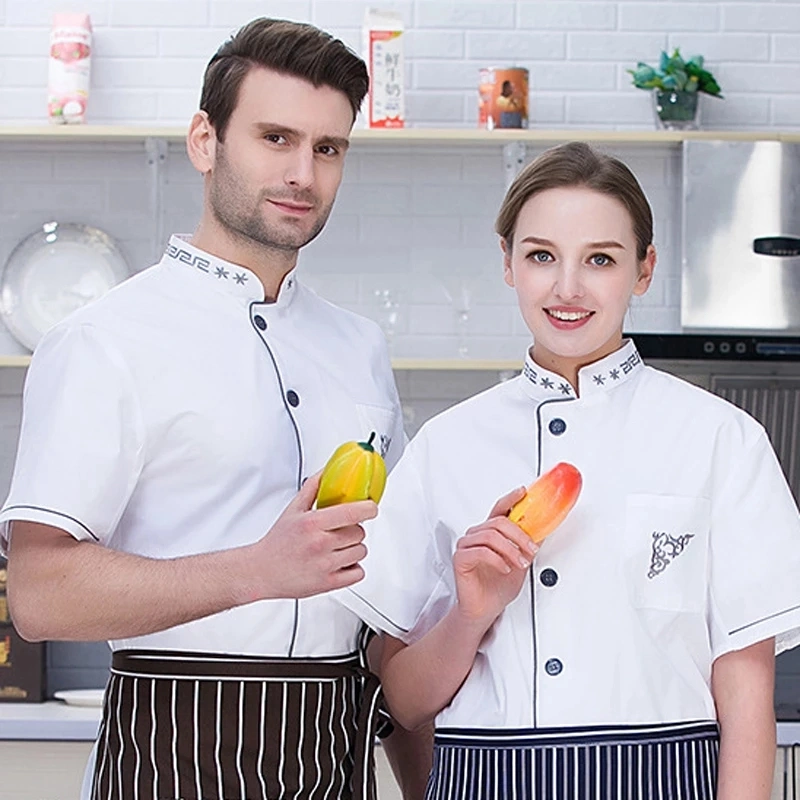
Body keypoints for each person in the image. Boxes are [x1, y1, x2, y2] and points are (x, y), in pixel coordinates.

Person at [0, 17, 431, 800]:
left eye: (327, 148)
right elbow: (38, 593)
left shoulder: (358, 347)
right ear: (206, 140)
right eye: (275, 137)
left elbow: (387, 599)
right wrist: (256, 572)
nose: (302, 172)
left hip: (339, 745)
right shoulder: (103, 340)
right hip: (175, 742)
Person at [339, 141, 800, 799]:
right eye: (541, 256)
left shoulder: (720, 440)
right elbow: (403, 703)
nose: (567, 289)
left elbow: (747, 692)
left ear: (645, 270)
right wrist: (472, 614)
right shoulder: (447, 447)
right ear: (508, 265)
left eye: (601, 260)